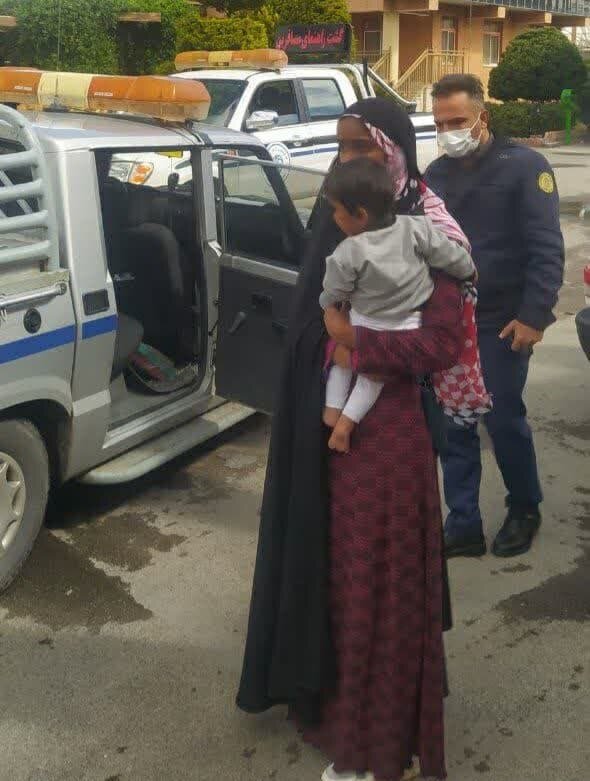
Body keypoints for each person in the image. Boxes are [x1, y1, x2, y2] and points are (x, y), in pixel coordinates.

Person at [236, 98, 469, 781]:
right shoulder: (336, 216)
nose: (348, 159)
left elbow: (441, 344)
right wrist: (326, 355)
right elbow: (310, 315)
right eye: (340, 147)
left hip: (390, 440)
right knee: (333, 578)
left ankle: (378, 741)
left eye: (362, 147)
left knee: (379, 589)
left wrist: (355, 344)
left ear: (393, 150)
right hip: (326, 432)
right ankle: (330, 711)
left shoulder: (427, 226)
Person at [425, 75, 564, 559]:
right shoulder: (436, 174)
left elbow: (546, 248)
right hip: (449, 320)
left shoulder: (525, 166)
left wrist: (534, 316)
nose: (448, 132)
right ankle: (463, 521)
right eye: (440, 123)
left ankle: (524, 507)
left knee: (503, 418)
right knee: (453, 423)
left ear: (482, 117)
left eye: (457, 121)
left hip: (502, 320)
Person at [320, 157, 476, 453]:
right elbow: (451, 256)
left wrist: (328, 305)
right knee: (371, 379)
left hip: (364, 319)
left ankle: (333, 410)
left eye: (337, 210)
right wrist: (469, 270)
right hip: (407, 321)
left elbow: (334, 290)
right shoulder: (418, 227)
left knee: (342, 363)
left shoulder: (347, 251)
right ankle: (346, 424)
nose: (334, 217)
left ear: (360, 215)